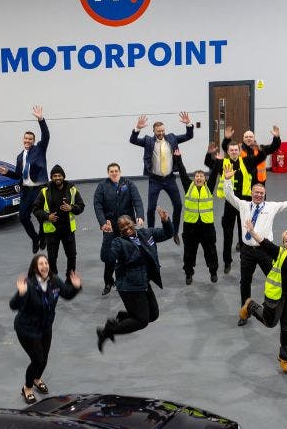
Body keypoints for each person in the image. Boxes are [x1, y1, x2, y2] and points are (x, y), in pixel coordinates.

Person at [223, 164, 287, 326]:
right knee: (245, 282)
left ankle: (279, 305)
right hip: (247, 251)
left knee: (275, 277)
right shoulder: (243, 205)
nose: (258, 195)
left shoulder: (271, 207)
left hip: (266, 251)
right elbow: (229, 196)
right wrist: (228, 180)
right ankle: (245, 311)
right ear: (251, 193)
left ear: (265, 195)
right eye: (256, 192)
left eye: (261, 193)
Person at [96, 209, 174, 352]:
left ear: (133, 223)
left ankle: (122, 317)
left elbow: (168, 233)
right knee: (142, 321)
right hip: (129, 286)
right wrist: (107, 236)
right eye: (122, 227)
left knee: (153, 315)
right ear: (119, 230)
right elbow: (106, 258)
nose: (126, 228)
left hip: (143, 281)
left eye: (128, 225)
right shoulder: (119, 243)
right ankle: (106, 332)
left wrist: (165, 221)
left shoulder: (146, 233)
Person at [238, 227, 287, 374]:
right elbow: (264, 243)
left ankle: (284, 358)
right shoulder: (280, 253)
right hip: (277, 296)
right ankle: (250, 305)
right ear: (284, 244)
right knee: (270, 322)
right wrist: (252, 232)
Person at [10, 255, 81, 404]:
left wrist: (75, 287)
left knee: (44, 360)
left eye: (46, 263)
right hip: (27, 329)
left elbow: (67, 294)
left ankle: (37, 379)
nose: (45, 266)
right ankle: (27, 388)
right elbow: (13, 305)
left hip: (45, 327)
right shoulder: (28, 284)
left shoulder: (54, 281)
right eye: (41, 264)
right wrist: (21, 294)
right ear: (35, 268)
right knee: (37, 360)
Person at [129, 111, 194, 244]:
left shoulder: (172, 138)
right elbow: (133, 140)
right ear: (154, 131)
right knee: (150, 209)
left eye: (162, 130)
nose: (161, 133)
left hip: (170, 179)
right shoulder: (148, 141)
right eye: (158, 131)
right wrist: (138, 129)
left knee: (178, 205)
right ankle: (150, 234)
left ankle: (175, 232)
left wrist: (188, 124)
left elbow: (189, 135)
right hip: (155, 180)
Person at [205, 134, 263, 274]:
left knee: (244, 233)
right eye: (231, 150)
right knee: (228, 234)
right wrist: (209, 153)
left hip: (244, 204)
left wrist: (259, 149)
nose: (233, 152)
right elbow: (208, 163)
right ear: (228, 152)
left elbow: (259, 159)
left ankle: (245, 260)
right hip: (230, 204)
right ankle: (227, 262)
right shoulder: (222, 163)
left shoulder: (246, 162)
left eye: (236, 150)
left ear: (239, 150)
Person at [0, 105, 50, 254]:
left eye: (30, 139)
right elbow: (19, 175)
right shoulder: (20, 157)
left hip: (39, 189)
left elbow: (46, 136)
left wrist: (41, 119)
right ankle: (34, 238)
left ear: (33, 141)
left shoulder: (39, 149)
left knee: (41, 217)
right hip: (26, 190)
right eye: (25, 138)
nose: (27, 140)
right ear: (23, 140)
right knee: (23, 217)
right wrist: (6, 172)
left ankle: (42, 236)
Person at [93, 162, 145, 296]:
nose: (114, 173)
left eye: (116, 171)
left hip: (127, 227)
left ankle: (127, 280)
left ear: (120, 172)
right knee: (110, 256)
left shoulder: (128, 184)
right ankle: (108, 282)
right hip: (110, 227)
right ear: (108, 173)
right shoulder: (102, 186)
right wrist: (103, 222)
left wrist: (139, 216)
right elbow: (97, 205)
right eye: (111, 171)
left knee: (130, 254)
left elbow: (137, 201)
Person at [32, 165, 85, 280]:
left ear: (63, 177)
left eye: (59, 175)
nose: (57, 178)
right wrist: (47, 216)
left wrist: (71, 208)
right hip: (52, 230)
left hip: (68, 230)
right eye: (54, 176)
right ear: (51, 177)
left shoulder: (72, 189)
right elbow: (35, 209)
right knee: (51, 258)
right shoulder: (45, 191)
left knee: (72, 256)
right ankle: (54, 278)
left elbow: (81, 206)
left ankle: (70, 277)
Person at [175, 155, 219, 284]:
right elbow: (182, 173)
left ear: (205, 179)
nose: (199, 178)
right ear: (194, 179)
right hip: (190, 226)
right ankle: (189, 273)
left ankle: (213, 271)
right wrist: (178, 159)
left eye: (201, 176)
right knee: (189, 252)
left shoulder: (209, 187)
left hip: (207, 226)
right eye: (197, 176)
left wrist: (218, 161)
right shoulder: (188, 186)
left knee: (211, 251)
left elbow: (215, 173)